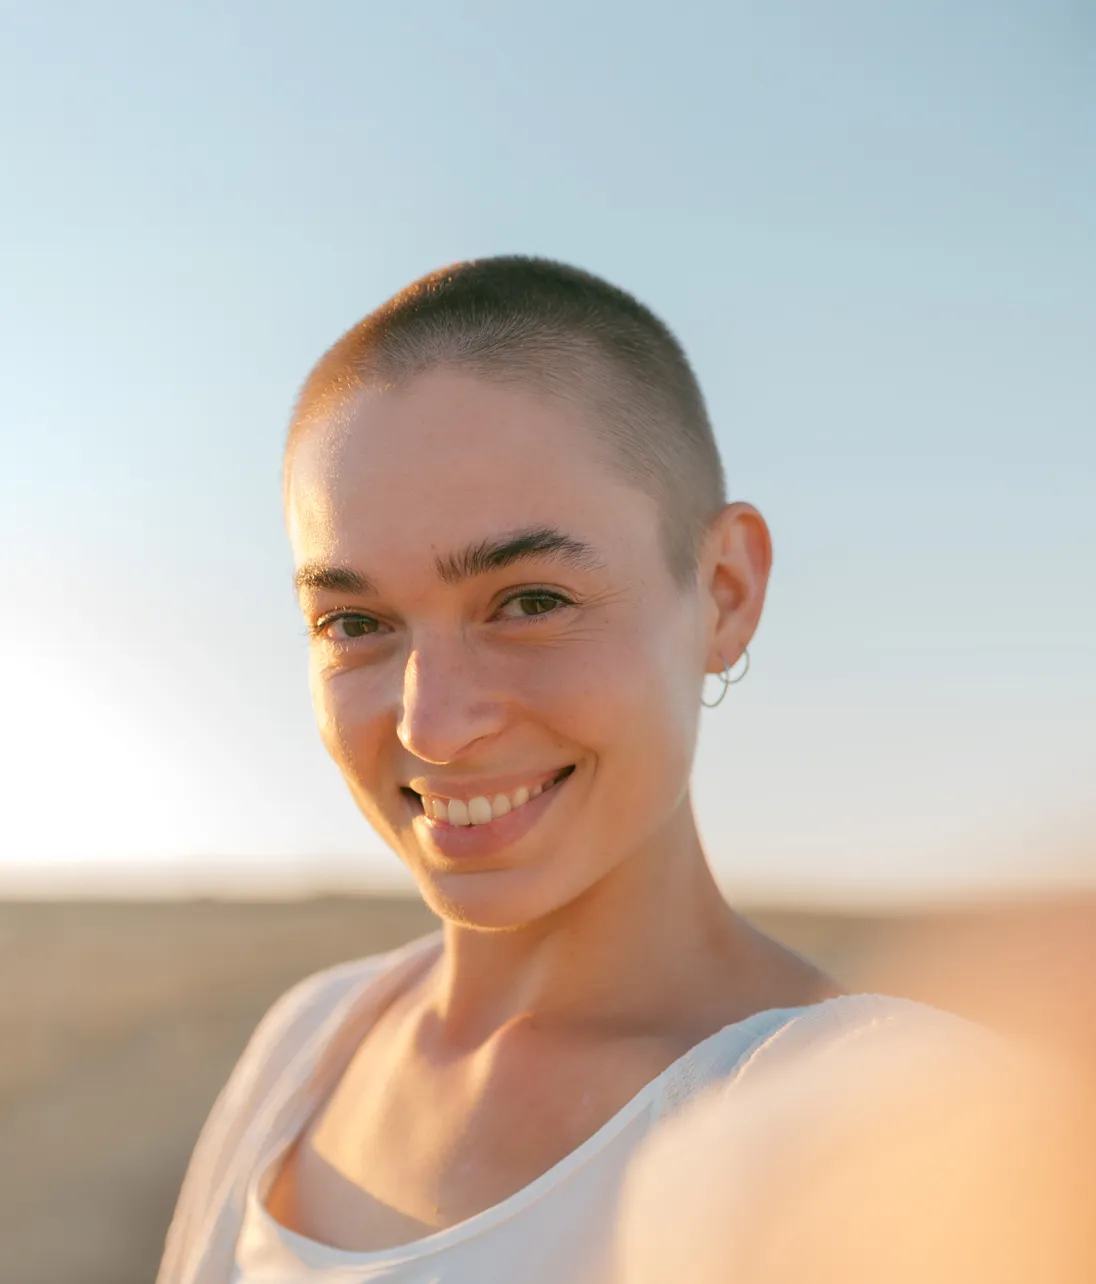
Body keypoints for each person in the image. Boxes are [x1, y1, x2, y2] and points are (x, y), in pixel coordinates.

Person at [156, 257, 986, 1284]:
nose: (435, 721)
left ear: (723, 593)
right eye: (356, 623)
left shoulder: (888, 1126)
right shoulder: (309, 1044)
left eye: (530, 601)